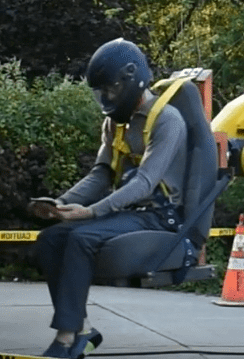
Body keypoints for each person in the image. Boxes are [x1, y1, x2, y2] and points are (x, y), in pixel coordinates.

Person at [29, 38, 188, 358]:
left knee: (82, 237)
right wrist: (61, 205)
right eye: (100, 90)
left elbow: (144, 183)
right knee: (50, 239)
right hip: (126, 211)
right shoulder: (115, 124)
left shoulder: (168, 120)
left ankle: (66, 339)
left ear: (131, 78)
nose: (105, 97)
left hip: (158, 214)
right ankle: (84, 330)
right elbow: (101, 174)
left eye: (110, 89)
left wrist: (88, 213)